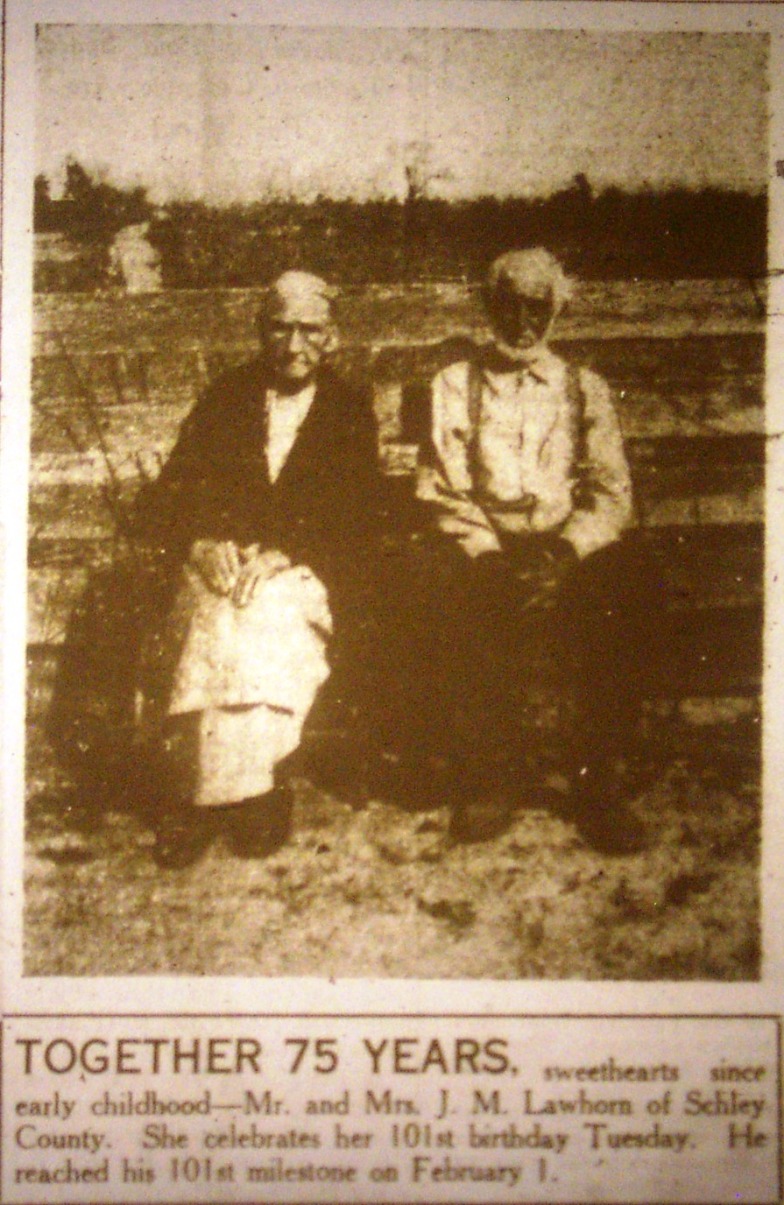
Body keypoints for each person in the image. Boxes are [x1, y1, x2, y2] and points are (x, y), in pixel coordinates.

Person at [133, 270, 382, 867]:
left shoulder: (348, 409)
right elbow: (170, 494)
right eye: (279, 328)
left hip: (302, 569)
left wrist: (285, 552)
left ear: (332, 337)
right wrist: (200, 544)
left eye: (309, 330)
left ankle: (256, 789)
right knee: (216, 615)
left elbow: (357, 513)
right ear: (260, 332)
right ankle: (202, 795)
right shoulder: (227, 396)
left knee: (263, 613)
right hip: (220, 563)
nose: (294, 345)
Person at [413, 247, 657, 853]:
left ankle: (599, 780)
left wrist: (568, 551)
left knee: (629, 586)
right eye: (509, 306)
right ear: (488, 307)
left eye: (536, 309)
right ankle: (493, 775)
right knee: (454, 590)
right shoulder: (455, 385)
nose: (522, 322)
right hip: (483, 540)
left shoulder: (583, 388)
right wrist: (488, 552)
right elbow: (443, 487)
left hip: (565, 544)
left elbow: (611, 491)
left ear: (555, 312)